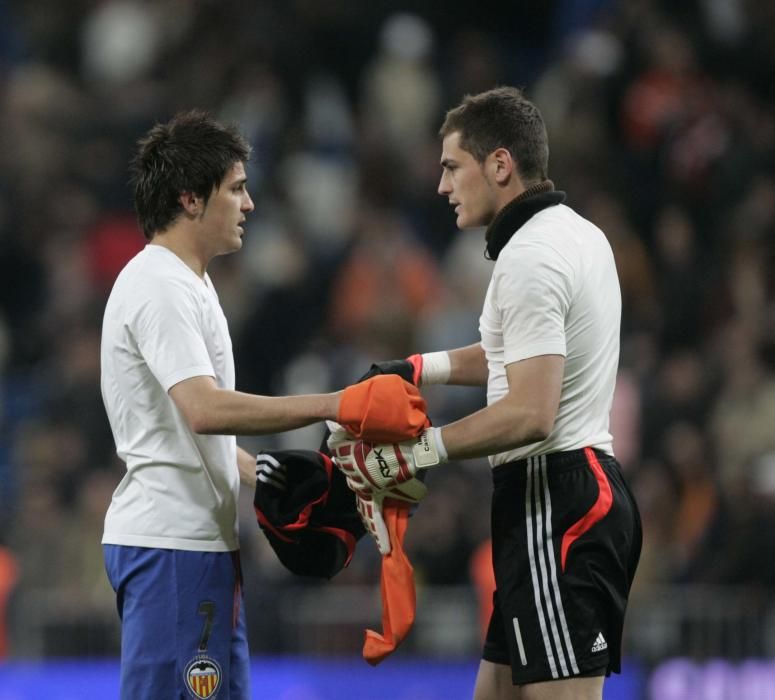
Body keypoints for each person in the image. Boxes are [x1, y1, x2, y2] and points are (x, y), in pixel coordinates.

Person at [99, 110, 426, 700]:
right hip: (172, 548)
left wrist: (261, 472)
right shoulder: (159, 286)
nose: (248, 204)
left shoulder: (190, 282)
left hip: (198, 547)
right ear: (191, 199)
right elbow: (204, 409)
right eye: (237, 188)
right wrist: (334, 404)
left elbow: (186, 431)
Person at [329, 87, 642, 700]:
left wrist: (415, 452)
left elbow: (529, 410)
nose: (442, 186)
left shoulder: (529, 257)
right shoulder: (577, 235)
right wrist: (419, 368)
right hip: (563, 498)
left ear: (499, 165)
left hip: (554, 502)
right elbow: (516, 357)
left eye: (452, 167)